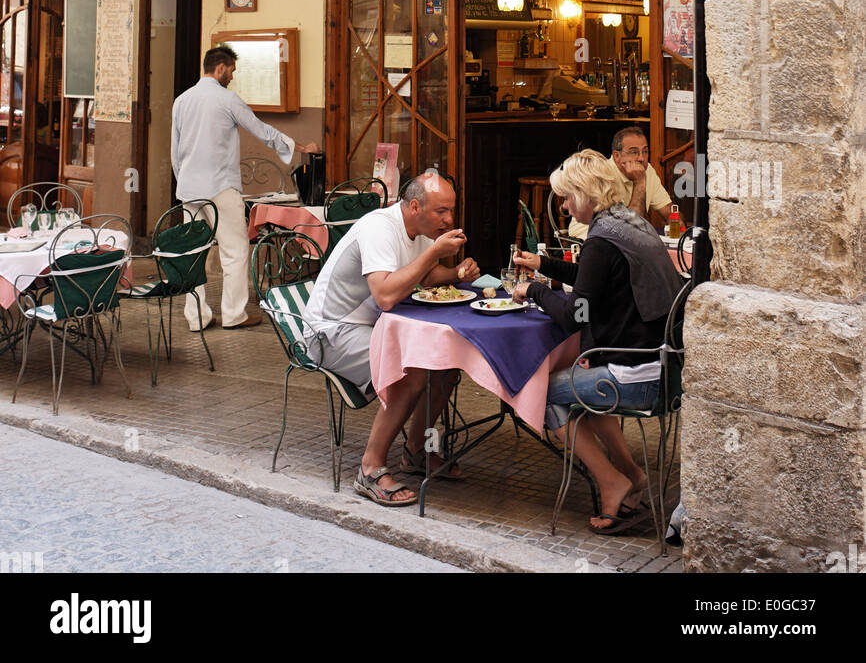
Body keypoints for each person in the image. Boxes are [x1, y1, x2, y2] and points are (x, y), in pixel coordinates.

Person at [513, 148, 682, 535]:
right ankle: (633, 476)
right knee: (579, 385)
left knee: (537, 395)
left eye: (568, 197)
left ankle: (613, 481)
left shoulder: (602, 239)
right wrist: (544, 267)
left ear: (586, 192)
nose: (565, 207)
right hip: (662, 367)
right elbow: (593, 279)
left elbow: (578, 313)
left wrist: (534, 292)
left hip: (637, 377)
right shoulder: (627, 224)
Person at [303, 169, 480, 506]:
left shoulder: (424, 230)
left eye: (451, 210)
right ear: (415, 206)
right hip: (329, 331)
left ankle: (417, 452)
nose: (449, 219)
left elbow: (424, 278)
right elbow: (386, 294)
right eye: (441, 211)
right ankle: (369, 469)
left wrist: (456, 273)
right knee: (408, 372)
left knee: (444, 365)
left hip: (371, 328)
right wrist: (434, 253)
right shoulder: (379, 227)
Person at [171, 45, 320, 332]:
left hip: (189, 189)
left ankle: (197, 317)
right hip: (220, 188)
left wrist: (185, 182)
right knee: (235, 250)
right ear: (221, 68)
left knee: (193, 254)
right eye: (232, 72)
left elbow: (175, 153)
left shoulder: (181, 101)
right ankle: (233, 314)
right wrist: (301, 147)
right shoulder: (227, 100)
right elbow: (262, 131)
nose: (232, 77)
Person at [568, 126, 671, 241]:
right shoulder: (602, 175)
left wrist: (683, 236)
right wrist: (640, 182)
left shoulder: (648, 171)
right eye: (634, 152)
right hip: (588, 242)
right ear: (617, 156)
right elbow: (630, 228)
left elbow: (669, 212)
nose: (641, 158)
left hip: (619, 242)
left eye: (645, 151)